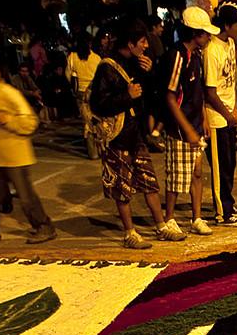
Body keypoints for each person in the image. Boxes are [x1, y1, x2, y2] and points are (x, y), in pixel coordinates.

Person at [88, 18, 183, 250]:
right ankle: (129, 232)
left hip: (136, 134)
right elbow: (98, 104)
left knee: (149, 180)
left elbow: (150, 97)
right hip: (117, 136)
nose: (145, 46)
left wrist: (149, 74)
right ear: (130, 44)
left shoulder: (137, 64)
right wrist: (126, 96)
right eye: (142, 42)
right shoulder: (107, 68)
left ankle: (161, 226)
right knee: (122, 187)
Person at [0, 52, 55, 246]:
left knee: (26, 197)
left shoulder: (9, 94)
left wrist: (10, 120)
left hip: (16, 156)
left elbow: (31, 122)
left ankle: (44, 226)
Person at [164, 8, 220, 232]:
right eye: (206, 33)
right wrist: (186, 128)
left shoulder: (195, 56)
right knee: (177, 175)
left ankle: (196, 218)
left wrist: (203, 119)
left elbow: (198, 92)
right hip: (179, 127)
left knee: (197, 172)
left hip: (195, 124)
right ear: (195, 33)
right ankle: (169, 218)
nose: (209, 37)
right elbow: (170, 97)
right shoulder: (177, 56)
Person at [204, 3, 237, 226]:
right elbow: (210, 91)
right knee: (220, 165)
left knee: (230, 162)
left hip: (230, 114)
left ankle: (228, 201)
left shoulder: (230, 44)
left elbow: (233, 82)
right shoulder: (212, 50)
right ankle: (223, 211)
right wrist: (226, 114)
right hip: (217, 118)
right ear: (227, 25)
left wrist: (235, 108)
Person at [67, 29, 104, 160]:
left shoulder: (72, 57)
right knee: (98, 120)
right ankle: (101, 149)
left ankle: (92, 152)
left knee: (87, 123)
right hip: (95, 92)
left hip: (81, 93)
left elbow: (68, 76)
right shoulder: (96, 58)